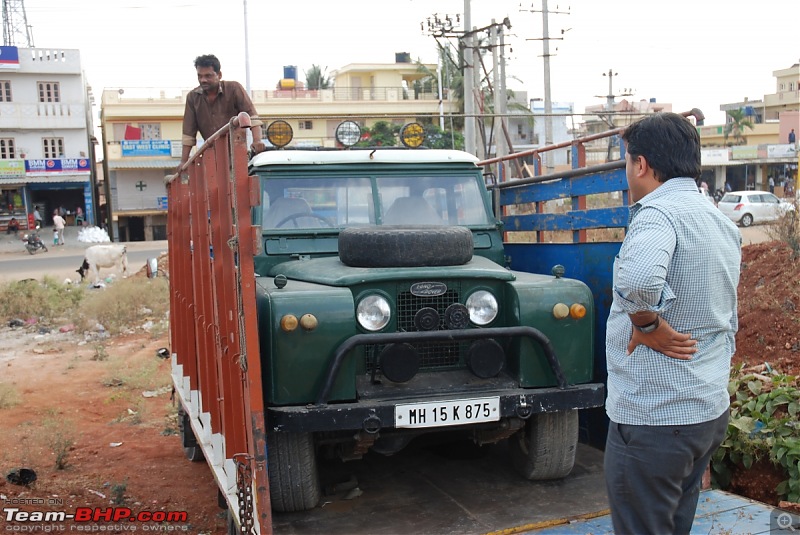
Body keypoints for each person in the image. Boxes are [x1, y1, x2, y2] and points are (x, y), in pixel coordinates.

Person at [605, 112, 741, 535]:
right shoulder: (720, 220)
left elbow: (640, 282)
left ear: (641, 164)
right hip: (705, 411)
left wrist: (646, 325)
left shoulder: (657, 214)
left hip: (656, 418)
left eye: (628, 162)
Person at [180, 54, 265, 168]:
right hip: (212, 158)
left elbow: (253, 118)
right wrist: (183, 161)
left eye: (208, 76)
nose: (203, 80)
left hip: (237, 153)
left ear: (219, 75)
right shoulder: (193, 97)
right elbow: (188, 134)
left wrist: (257, 141)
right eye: (199, 76)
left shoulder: (234, 88)